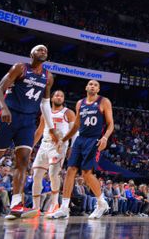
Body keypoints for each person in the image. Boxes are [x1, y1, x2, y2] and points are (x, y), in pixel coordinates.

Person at [0, 44, 58, 219]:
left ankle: (16, 204)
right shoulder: (20, 67)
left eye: (45, 51)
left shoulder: (48, 77)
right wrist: (3, 108)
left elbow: (44, 103)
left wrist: (51, 128)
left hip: (28, 121)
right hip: (9, 116)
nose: (43, 51)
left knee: (24, 160)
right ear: (31, 53)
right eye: (39, 49)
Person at [48, 79, 114, 220]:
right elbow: (76, 126)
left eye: (95, 85)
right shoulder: (80, 103)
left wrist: (105, 138)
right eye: (90, 84)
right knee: (70, 170)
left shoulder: (104, 101)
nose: (92, 86)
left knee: (86, 174)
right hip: (80, 139)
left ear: (98, 89)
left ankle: (101, 202)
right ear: (86, 87)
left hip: (94, 140)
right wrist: (63, 140)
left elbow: (110, 124)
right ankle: (64, 208)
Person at [29, 89, 74, 217]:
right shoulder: (45, 113)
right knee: (36, 175)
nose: (59, 97)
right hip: (44, 144)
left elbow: (74, 131)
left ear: (63, 99)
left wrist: (72, 146)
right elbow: (39, 131)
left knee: (53, 174)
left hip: (59, 145)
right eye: (57, 95)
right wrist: (30, 147)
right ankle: (35, 207)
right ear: (52, 98)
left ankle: (54, 204)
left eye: (61, 95)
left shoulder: (68, 113)